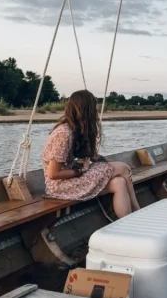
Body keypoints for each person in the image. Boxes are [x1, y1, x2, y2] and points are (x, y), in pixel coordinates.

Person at [42, 90, 140, 219]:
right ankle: (138, 210)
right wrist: (80, 171)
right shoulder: (63, 133)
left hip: (72, 179)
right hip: (60, 186)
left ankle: (130, 221)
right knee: (122, 167)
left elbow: (92, 156)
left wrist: (103, 160)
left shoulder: (76, 129)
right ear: (87, 110)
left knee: (119, 182)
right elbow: (53, 174)